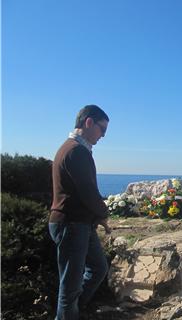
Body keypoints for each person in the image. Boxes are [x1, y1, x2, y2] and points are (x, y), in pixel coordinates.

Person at [49, 104, 112, 319]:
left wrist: (97, 216)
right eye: (102, 129)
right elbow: (88, 192)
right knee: (69, 289)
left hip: (80, 224)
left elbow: (83, 192)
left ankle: (76, 311)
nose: (103, 135)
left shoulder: (77, 149)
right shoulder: (75, 151)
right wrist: (104, 213)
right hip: (71, 224)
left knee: (98, 268)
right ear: (88, 122)